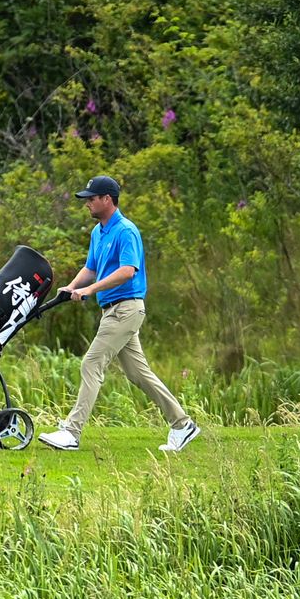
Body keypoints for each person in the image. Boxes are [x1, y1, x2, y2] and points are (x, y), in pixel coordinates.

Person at [38, 175, 200, 452]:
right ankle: (183, 425)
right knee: (139, 374)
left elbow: (128, 271)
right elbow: (91, 267)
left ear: (107, 200)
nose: (87, 203)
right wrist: (73, 286)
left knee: (91, 363)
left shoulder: (126, 231)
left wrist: (89, 290)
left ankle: (71, 433)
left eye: (91, 198)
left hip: (126, 308)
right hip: (112, 310)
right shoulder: (98, 232)